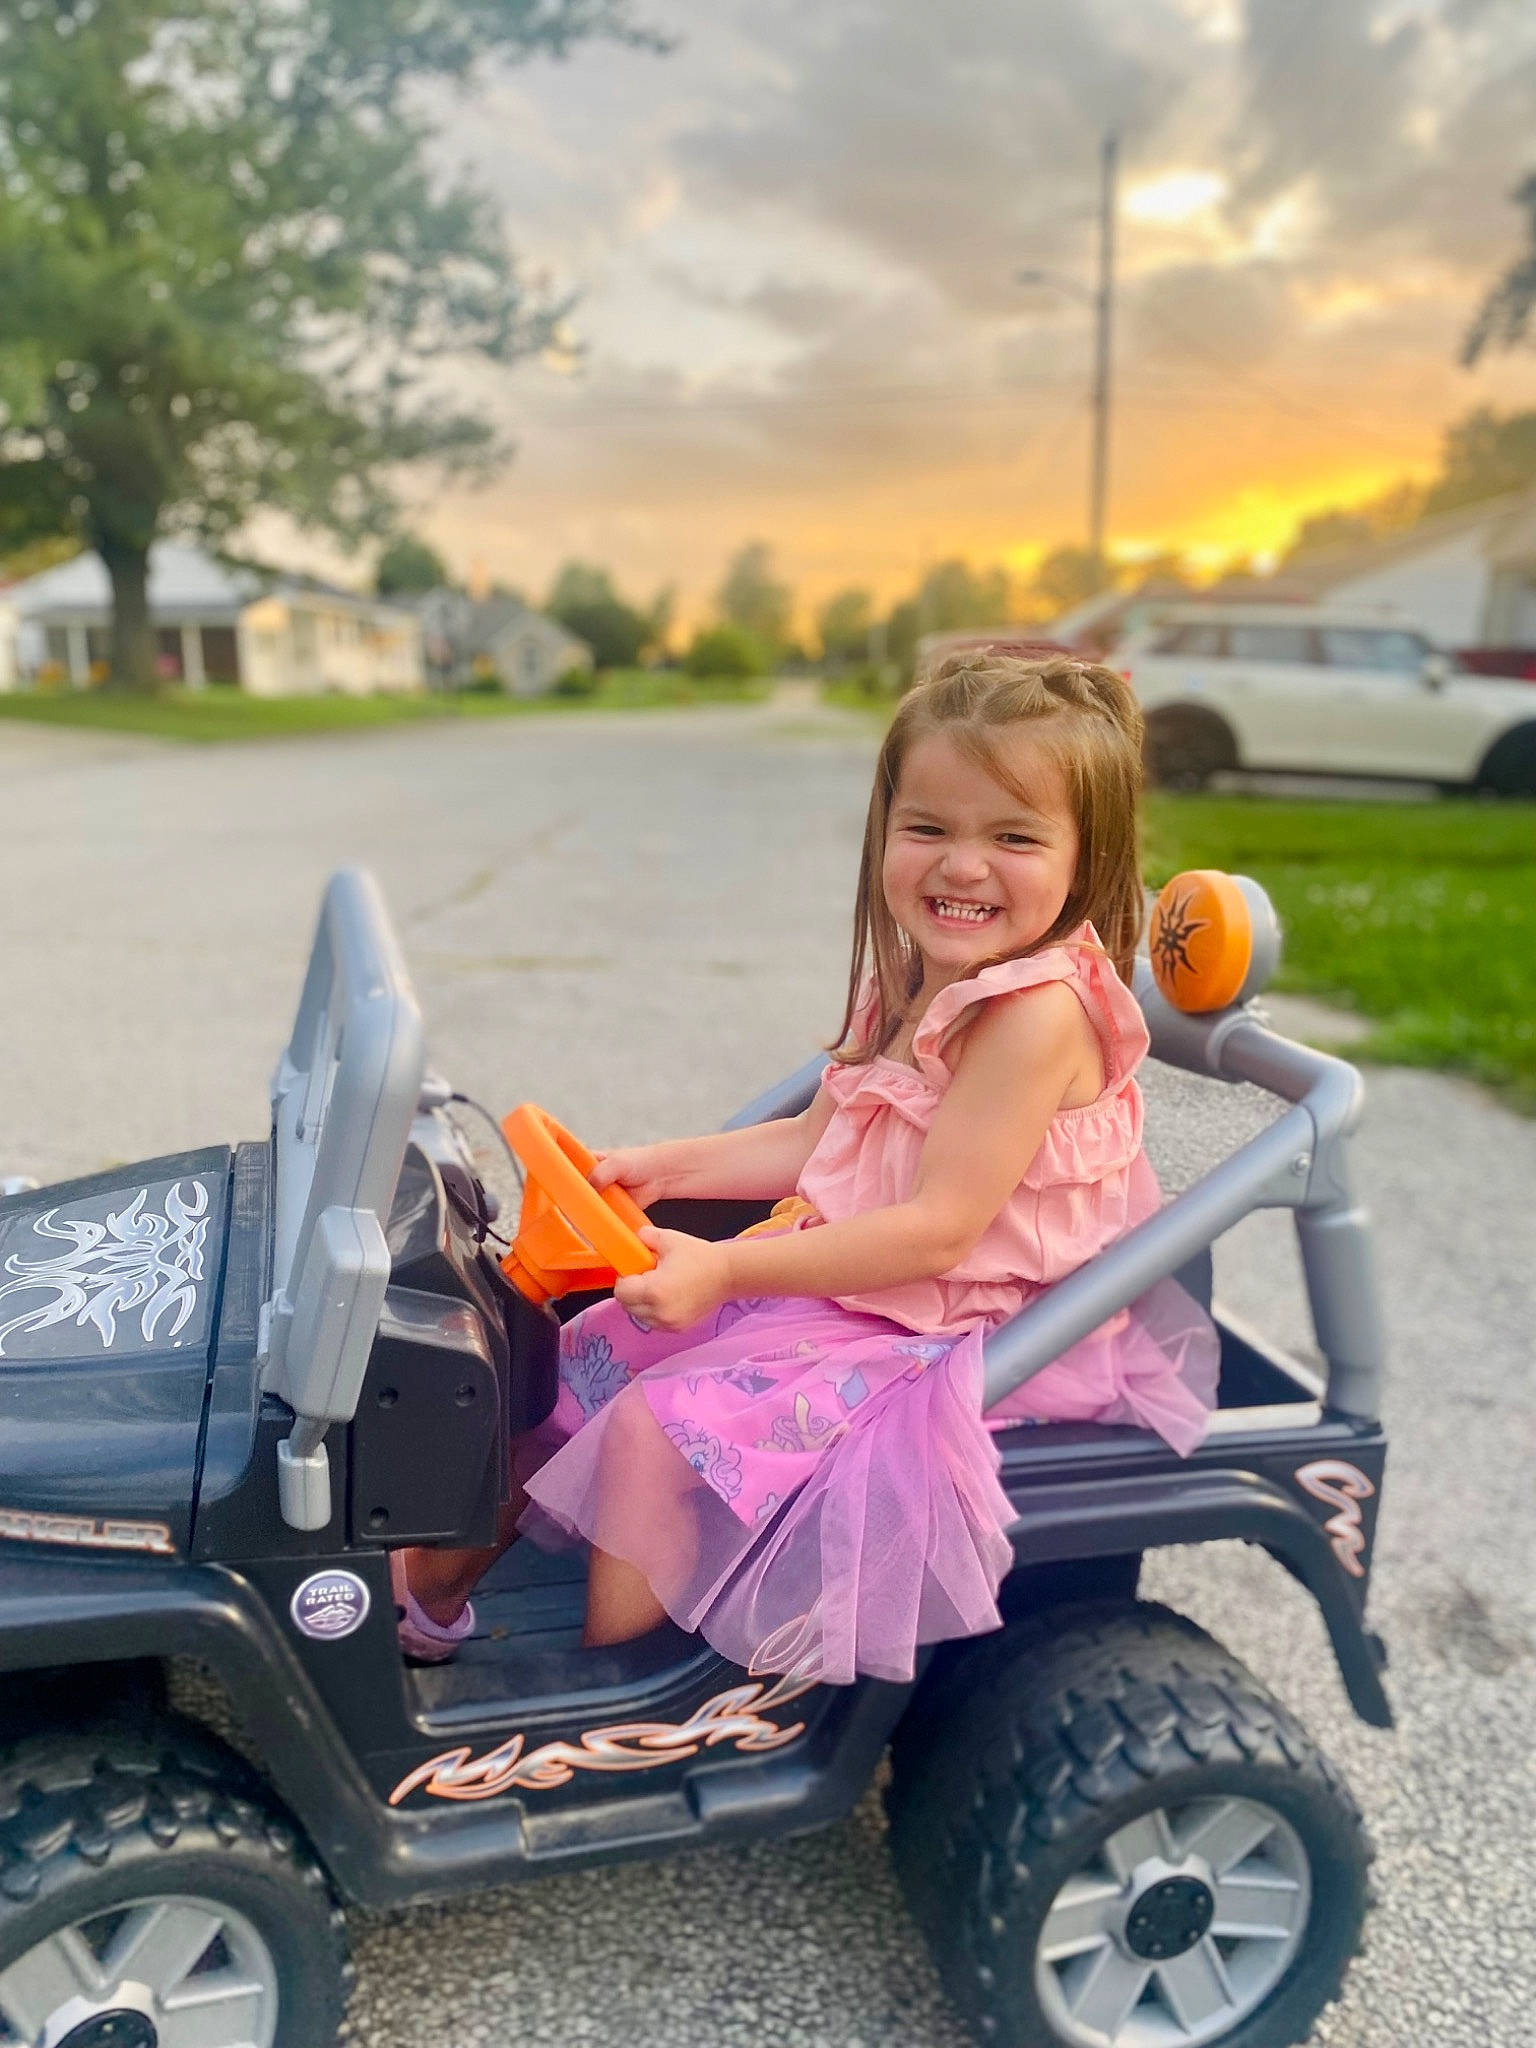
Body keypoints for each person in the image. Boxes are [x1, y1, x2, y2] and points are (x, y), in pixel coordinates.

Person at [392, 651, 1218, 1682]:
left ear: (1083, 857)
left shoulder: (1034, 1019)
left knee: (658, 1432)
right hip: (865, 1290)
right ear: (887, 831)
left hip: (966, 1331)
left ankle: (625, 1702)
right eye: (930, 828)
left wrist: (727, 1271)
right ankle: (424, 1598)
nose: (963, 866)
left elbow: (940, 1230)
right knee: (588, 1344)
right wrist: (656, 1164)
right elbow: (817, 1138)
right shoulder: (919, 973)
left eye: (1013, 837)